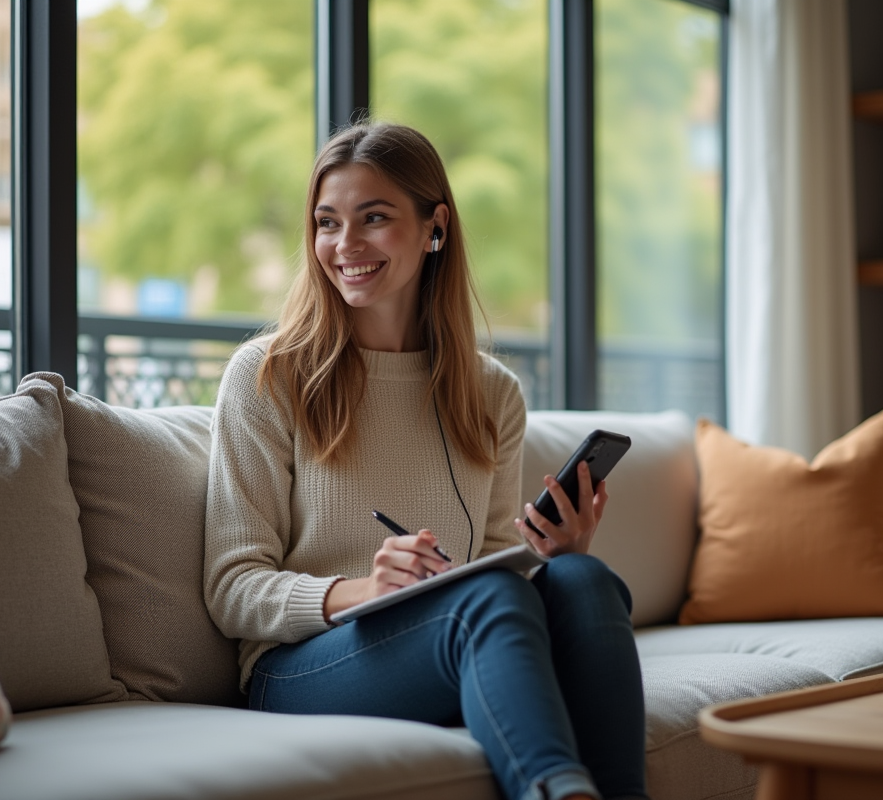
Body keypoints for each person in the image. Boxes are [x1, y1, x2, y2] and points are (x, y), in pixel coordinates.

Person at [204, 122, 648, 800]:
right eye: (327, 223)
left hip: (444, 640)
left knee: (584, 580)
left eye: (374, 218)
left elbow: (495, 565)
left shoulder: (491, 394)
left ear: (434, 226)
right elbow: (232, 587)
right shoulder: (268, 376)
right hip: (297, 668)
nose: (345, 245)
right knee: (487, 600)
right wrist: (363, 591)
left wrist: (553, 554)